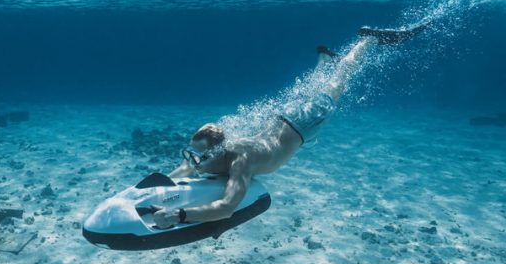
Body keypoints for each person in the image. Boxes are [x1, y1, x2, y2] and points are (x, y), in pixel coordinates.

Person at [145, 24, 429, 230]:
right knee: (313, 90)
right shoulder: (213, 153)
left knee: (338, 82)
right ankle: (324, 59)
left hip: (304, 123)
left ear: (217, 153)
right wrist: (147, 191)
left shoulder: (239, 162)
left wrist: (178, 215)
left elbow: (226, 208)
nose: (192, 163)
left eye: (197, 156)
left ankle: (368, 41)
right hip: (283, 118)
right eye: (190, 154)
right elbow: (185, 169)